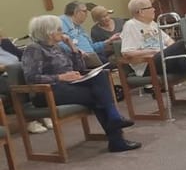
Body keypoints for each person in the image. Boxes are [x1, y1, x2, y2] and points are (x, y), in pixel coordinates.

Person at [21, 15, 140, 152]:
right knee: (97, 95)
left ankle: (115, 127)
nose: (63, 32)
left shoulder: (57, 47)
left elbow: (79, 67)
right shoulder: (34, 49)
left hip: (67, 86)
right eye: (59, 29)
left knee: (100, 75)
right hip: (47, 92)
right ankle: (116, 134)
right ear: (49, 32)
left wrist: (72, 46)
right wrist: (60, 77)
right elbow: (31, 77)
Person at [60, 1, 120, 66]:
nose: (87, 15)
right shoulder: (61, 22)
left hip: (91, 60)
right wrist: (78, 51)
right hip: (76, 62)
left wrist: (107, 41)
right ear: (76, 12)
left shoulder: (79, 27)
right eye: (85, 11)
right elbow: (59, 45)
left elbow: (91, 47)